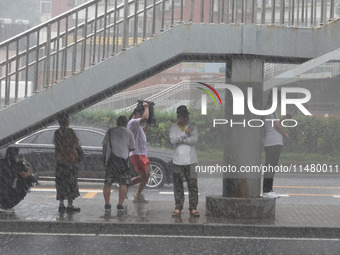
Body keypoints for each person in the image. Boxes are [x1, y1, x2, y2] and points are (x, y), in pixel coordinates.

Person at [169, 105, 199, 217]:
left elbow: (195, 140)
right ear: (178, 116)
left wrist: (181, 139)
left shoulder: (192, 126)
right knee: (178, 185)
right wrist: (185, 134)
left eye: (186, 116)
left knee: (193, 185)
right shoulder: (173, 127)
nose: (185, 119)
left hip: (191, 160)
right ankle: (178, 207)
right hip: (177, 161)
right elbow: (173, 140)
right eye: (183, 116)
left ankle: (193, 208)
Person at [102, 116, 135, 211]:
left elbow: (104, 147)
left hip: (111, 161)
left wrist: (104, 159)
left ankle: (107, 204)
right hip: (123, 162)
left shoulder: (110, 131)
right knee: (123, 183)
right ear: (126, 123)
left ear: (117, 122)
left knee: (108, 183)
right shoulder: (129, 133)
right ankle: (120, 204)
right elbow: (132, 148)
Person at [262, 92, 290, 199]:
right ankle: (266, 190)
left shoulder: (271, 110)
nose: (279, 101)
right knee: (270, 167)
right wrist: (285, 134)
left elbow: (276, 123)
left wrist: (284, 119)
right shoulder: (268, 109)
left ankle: (269, 189)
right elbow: (275, 125)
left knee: (272, 167)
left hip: (275, 142)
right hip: (272, 142)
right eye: (278, 99)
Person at [53, 114, 81, 213]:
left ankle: (61, 204)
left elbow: (55, 144)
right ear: (67, 122)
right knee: (71, 183)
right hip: (70, 162)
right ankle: (70, 205)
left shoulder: (56, 132)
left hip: (60, 162)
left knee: (61, 183)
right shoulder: (70, 132)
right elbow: (76, 143)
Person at [0, 147, 36, 213]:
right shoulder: (15, 164)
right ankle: (5, 206)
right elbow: (24, 175)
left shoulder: (3, 162)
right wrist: (29, 170)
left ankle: (4, 205)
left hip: (5, 185)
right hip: (8, 186)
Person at [127, 102, 150, 202]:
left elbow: (142, 131)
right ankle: (125, 185)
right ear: (136, 114)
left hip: (142, 153)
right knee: (144, 176)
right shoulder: (132, 122)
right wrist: (146, 107)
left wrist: (148, 124)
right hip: (137, 154)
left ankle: (138, 195)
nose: (142, 117)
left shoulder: (137, 125)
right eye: (140, 114)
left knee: (147, 175)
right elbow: (144, 118)